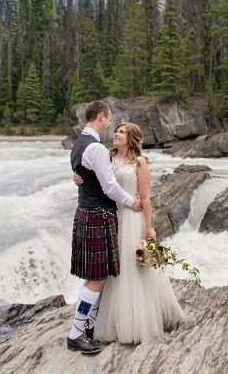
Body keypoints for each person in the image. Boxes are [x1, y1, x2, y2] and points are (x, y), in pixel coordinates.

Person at [74, 122, 185, 344]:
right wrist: (75, 175)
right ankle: (107, 318)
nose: (116, 133)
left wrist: (149, 227)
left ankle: (135, 321)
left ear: (131, 137)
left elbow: (145, 198)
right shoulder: (106, 156)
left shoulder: (140, 163)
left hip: (132, 218)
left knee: (133, 268)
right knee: (112, 270)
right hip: (111, 216)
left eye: (122, 132)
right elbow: (91, 173)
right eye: (116, 130)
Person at [67, 101, 142, 354]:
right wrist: (132, 202)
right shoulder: (97, 148)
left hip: (85, 213)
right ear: (101, 116)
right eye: (110, 120)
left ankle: (88, 326)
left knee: (95, 276)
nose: (111, 125)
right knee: (97, 278)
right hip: (98, 215)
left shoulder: (78, 144)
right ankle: (77, 333)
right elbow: (109, 187)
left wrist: (76, 178)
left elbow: (81, 174)